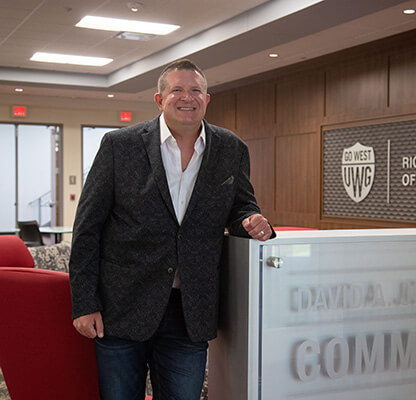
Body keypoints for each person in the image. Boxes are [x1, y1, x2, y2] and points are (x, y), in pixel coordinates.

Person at [69, 58, 274, 400]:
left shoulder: (231, 148)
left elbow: (241, 205)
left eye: (196, 90)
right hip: (122, 305)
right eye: (177, 89)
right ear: (159, 99)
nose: (187, 97)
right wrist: (84, 302)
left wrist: (250, 220)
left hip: (189, 308)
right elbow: (87, 227)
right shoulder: (120, 146)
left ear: (207, 99)